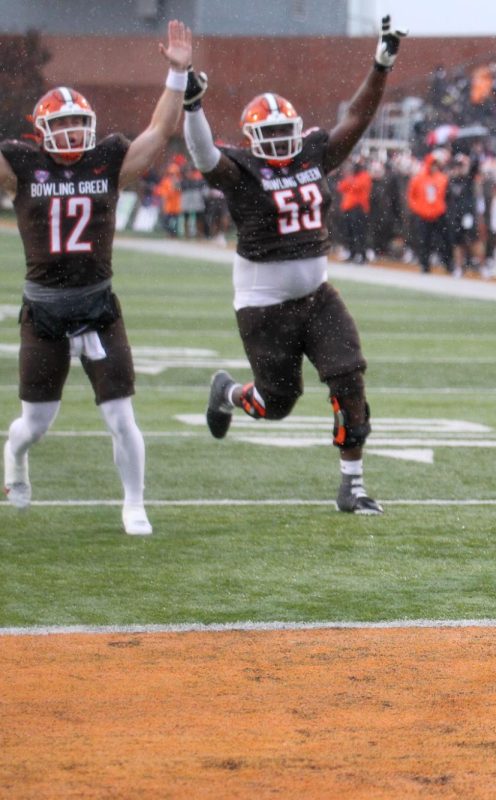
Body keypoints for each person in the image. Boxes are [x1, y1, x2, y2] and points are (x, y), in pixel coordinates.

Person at [183, 16, 406, 514]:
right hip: (264, 306)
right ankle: (230, 392)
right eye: (271, 133)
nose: (282, 140)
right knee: (276, 404)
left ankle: (352, 483)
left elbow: (358, 118)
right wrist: (192, 105)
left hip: (318, 294)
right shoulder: (242, 171)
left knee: (349, 375)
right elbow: (201, 153)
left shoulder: (311, 155)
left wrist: (381, 65)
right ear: (251, 137)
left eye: (286, 130)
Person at [1, 21, 193, 535]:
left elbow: (159, 133)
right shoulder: (22, 165)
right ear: (39, 132)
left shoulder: (106, 160)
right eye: (60, 125)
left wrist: (177, 75)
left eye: (76, 123)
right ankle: (13, 453)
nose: (71, 133)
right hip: (43, 310)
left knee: (120, 415)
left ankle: (134, 503)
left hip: (98, 307)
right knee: (34, 426)